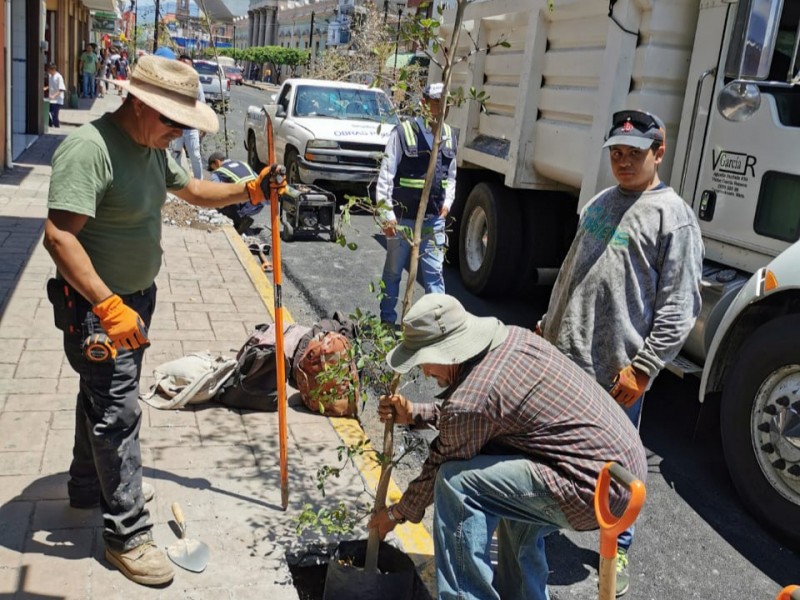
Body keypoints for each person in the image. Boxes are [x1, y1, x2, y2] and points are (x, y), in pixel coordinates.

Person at [43, 55, 278, 587]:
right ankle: (126, 534)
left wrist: (250, 191)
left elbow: (193, 191)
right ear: (143, 104)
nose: (178, 133)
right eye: (174, 121)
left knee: (99, 397)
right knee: (118, 413)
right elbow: (59, 236)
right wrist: (107, 304)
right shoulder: (90, 150)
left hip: (134, 301)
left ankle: (87, 485)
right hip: (98, 311)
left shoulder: (152, 148)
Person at [369, 294, 647, 600]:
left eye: (423, 361)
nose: (423, 373)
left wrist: (394, 515)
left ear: (448, 352)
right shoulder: (510, 339)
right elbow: (484, 416)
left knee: (456, 484)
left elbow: (449, 446)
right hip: (620, 463)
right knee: (506, 494)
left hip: (596, 487)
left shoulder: (472, 400)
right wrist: (415, 414)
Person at [537, 109, 704, 596]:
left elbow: (680, 306)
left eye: (635, 153)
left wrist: (645, 369)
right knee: (552, 452)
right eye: (617, 153)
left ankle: (618, 549)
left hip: (618, 372)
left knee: (617, 468)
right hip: (565, 358)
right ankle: (542, 529)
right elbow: (573, 270)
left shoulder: (674, 218)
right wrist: (549, 325)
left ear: (660, 151)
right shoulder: (600, 202)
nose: (624, 161)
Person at [376, 82, 457, 325]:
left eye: (446, 104)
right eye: (436, 103)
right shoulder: (404, 132)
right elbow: (386, 174)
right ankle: (387, 322)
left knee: (434, 275)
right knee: (393, 272)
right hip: (402, 219)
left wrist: (448, 203)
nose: (441, 108)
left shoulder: (450, 136)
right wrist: (386, 214)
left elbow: (451, 175)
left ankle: (436, 327)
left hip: (433, 220)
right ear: (424, 104)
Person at [207, 151, 267, 236]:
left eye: (213, 168)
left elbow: (214, 191)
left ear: (217, 162)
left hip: (245, 202)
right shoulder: (243, 164)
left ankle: (239, 221)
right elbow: (259, 179)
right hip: (259, 203)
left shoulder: (218, 172)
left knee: (218, 201)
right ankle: (242, 217)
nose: (213, 170)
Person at [170, 54, 205, 180]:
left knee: (195, 156)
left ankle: (199, 182)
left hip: (191, 127)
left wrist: (203, 126)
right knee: (175, 154)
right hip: (175, 126)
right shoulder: (173, 82)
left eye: (187, 66)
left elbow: (202, 105)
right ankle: (177, 182)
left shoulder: (197, 84)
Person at [45, 63, 66, 128]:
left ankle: (57, 126)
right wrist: (47, 87)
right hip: (51, 99)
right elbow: (52, 85)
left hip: (57, 100)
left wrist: (54, 95)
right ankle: (50, 125)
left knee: (54, 114)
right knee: (48, 113)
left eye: (49, 70)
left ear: (53, 69)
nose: (48, 71)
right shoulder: (50, 76)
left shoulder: (58, 77)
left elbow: (61, 89)